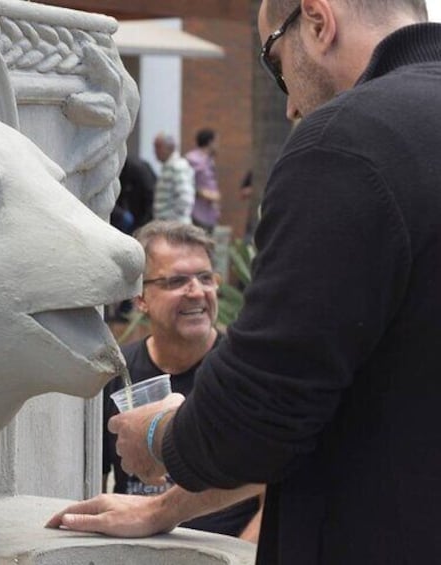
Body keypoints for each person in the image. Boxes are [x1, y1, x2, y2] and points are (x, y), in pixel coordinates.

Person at [95, 1, 441, 563]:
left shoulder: (347, 141)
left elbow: (261, 413)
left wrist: (160, 437)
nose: (290, 106)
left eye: (274, 62)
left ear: (318, 20)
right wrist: (164, 509)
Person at [100, 220, 263, 538]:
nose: (197, 291)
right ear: (141, 298)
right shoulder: (115, 371)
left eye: (205, 278)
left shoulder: (243, 372)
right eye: (176, 281)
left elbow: (271, 497)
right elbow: (92, 478)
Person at [151, 134, 195, 224]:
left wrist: (170, 221)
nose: (155, 151)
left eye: (158, 147)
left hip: (175, 227)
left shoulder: (178, 166)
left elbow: (185, 199)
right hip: (168, 226)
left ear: (170, 147)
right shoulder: (168, 166)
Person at [185, 128, 220, 232]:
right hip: (197, 213)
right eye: (216, 142)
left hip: (209, 214)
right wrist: (203, 193)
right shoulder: (193, 159)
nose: (218, 145)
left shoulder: (210, 160)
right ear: (210, 142)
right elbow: (187, 182)